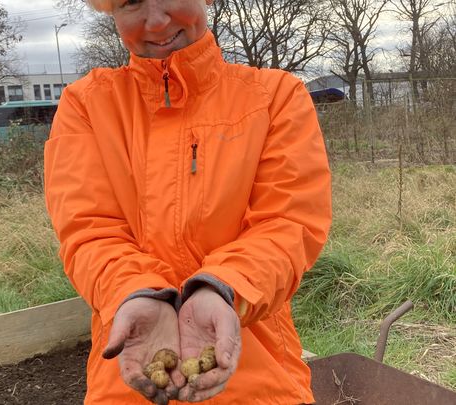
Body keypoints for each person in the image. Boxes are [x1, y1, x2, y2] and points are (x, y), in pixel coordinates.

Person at [44, 0, 332, 404]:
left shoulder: (276, 97)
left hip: (259, 382)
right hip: (129, 378)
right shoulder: (86, 105)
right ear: (109, 11)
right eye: (130, 2)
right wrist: (138, 291)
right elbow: (89, 230)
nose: (157, 20)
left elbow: (288, 224)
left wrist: (222, 289)